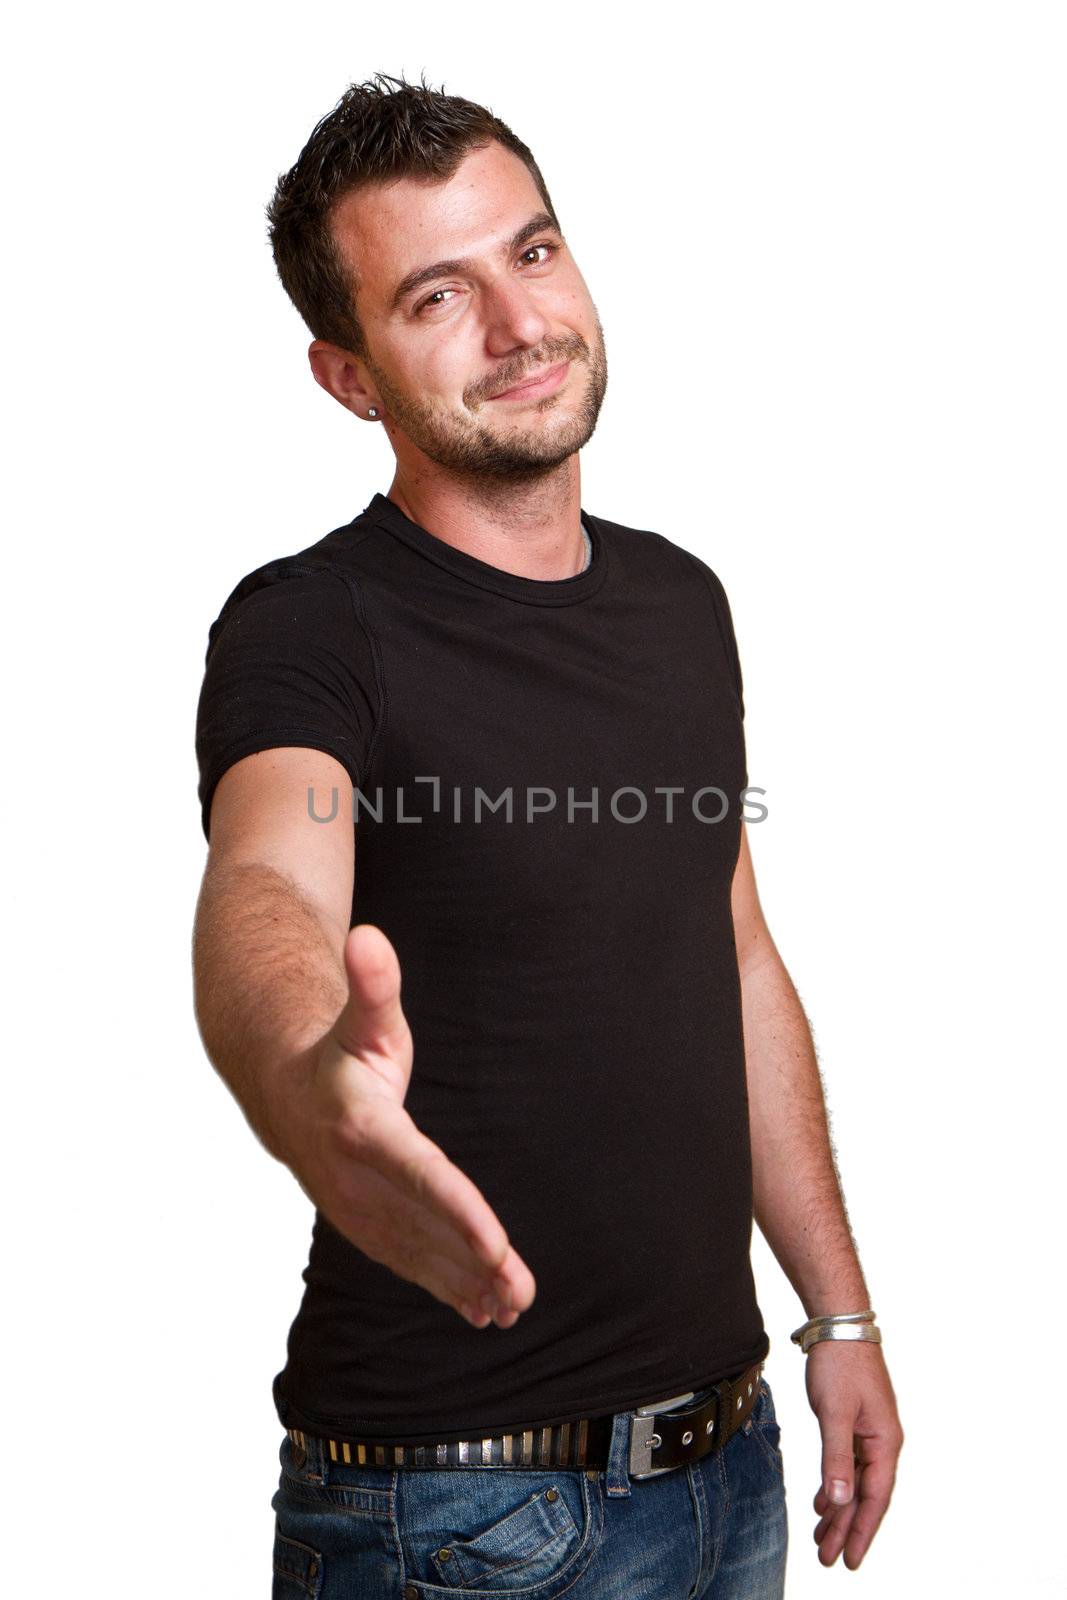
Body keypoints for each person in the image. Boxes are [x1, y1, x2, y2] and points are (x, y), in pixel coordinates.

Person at [192, 70, 904, 1599]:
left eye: (532, 252)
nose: (519, 328)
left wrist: (837, 1316)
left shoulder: (678, 604)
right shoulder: (312, 631)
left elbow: (734, 955)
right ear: (350, 376)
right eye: (436, 295)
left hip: (727, 1465)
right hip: (458, 1521)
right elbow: (267, 879)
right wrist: (307, 1078)